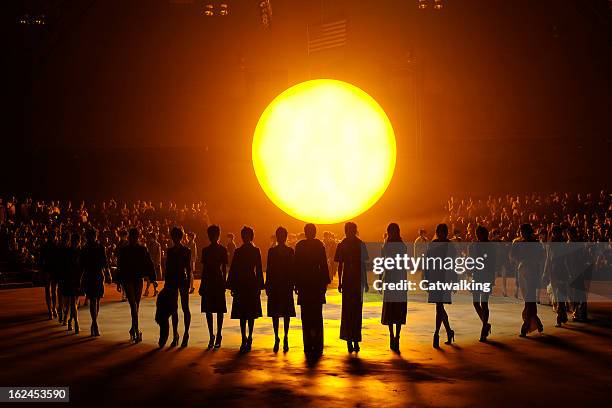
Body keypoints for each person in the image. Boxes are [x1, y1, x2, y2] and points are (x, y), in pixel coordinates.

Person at [294, 223, 330, 356]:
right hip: (316, 284)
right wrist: (325, 283)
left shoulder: (300, 246)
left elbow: (296, 265)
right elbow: (324, 265)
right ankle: (317, 344)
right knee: (317, 315)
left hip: (305, 284)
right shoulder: (319, 245)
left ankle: (308, 344)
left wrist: (296, 283)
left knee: (306, 316)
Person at [226, 226, 264, 352]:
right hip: (251, 282)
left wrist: (232, 285)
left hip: (241, 283)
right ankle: (249, 337)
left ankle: (244, 337)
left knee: (242, 313)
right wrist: (260, 285)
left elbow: (234, 269)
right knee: (251, 313)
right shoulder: (255, 250)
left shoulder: (238, 251)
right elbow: (258, 269)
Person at [117, 228, 156, 343]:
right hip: (135, 279)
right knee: (135, 305)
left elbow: (120, 266)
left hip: (132, 279)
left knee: (135, 305)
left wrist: (118, 281)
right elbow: (149, 264)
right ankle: (136, 330)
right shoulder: (141, 249)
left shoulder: (126, 250)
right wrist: (152, 278)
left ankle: (133, 328)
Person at [335, 222, 369, 353]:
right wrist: (365, 282)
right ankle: (354, 339)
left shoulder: (342, 245)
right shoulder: (360, 244)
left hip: (348, 280)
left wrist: (340, 282)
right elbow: (363, 265)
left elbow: (340, 266)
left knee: (348, 311)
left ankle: (349, 339)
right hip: (356, 280)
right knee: (356, 311)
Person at [425, 223, 457, 348]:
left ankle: (437, 333)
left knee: (439, 306)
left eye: (442, 232)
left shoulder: (448, 245)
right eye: (439, 232)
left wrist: (454, 281)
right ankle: (447, 331)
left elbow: (453, 263)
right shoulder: (435, 244)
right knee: (439, 306)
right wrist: (427, 278)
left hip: (444, 277)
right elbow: (428, 262)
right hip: (436, 277)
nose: (440, 234)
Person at [265, 226, 295, 353]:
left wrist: (267, 284)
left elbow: (269, 269)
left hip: (277, 284)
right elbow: (293, 269)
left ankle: (277, 336)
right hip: (285, 284)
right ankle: (284, 336)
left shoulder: (272, 252)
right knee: (285, 312)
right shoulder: (289, 251)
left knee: (276, 312)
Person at [512, 223, 545, 337]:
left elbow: (541, 257)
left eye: (523, 231)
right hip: (524, 270)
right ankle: (537, 322)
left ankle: (525, 326)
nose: (522, 233)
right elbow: (513, 256)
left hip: (529, 271)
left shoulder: (529, 243)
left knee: (529, 298)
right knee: (528, 298)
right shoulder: (521, 243)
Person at [200, 225, 228, 349]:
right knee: (213, 309)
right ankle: (214, 335)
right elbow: (222, 268)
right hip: (212, 280)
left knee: (213, 309)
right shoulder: (219, 250)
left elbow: (223, 268)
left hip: (213, 280)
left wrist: (224, 282)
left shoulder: (210, 250)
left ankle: (216, 335)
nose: (212, 237)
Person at [381, 223, 408, 352]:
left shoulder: (387, 245)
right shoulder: (401, 246)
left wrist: (380, 279)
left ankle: (394, 335)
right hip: (397, 278)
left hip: (393, 279)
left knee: (392, 309)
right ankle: (395, 335)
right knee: (396, 309)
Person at [165, 226, 192, 347]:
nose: (175, 239)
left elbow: (188, 268)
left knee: (181, 308)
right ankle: (178, 334)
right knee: (177, 308)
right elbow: (169, 268)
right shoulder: (183, 250)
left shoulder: (182, 251)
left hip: (179, 280)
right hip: (178, 280)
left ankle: (181, 334)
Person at [80, 228, 108, 337]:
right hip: (97, 274)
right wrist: (108, 274)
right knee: (96, 300)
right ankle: (94, 323)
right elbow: (105, 262)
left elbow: (81, 265)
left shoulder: (85, 248)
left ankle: (94, 323)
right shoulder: (100, 247)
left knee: (94, 300)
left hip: (90, 275)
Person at [470, 225, 495, 342]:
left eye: (479, 233)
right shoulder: (474, 245)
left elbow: (492, 262)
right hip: (478, 275)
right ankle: (485, 324)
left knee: (483, 303)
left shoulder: (489, 246)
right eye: (477, 233)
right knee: (476, 303)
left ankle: (484, 328)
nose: (477, 235)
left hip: (485, 275)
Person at [543, 225, 570, 326]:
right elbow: (549, 259)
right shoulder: (561, 243)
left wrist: (545, 272)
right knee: (559, 294)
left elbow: (548, 259)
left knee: (558, 294)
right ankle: (562, 315)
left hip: (556, 270)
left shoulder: (553, 244)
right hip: (559, 270)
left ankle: (560, 316)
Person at [62, 232, 82, 334]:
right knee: (72, 302)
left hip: (77, 279)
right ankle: (76, 323)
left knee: (74, 302)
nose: (76, 243)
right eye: (75, 241)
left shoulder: (80, 252)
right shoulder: (68, 252)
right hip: (70, 279)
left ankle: (69, 320)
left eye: (77, 241)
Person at [39, 231, 59, 320]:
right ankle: (52, 309)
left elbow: (41, 260)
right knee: (52, 290)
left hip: (49, 269)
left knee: (49, 290)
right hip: (51, 269)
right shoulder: (55, 246)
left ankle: (51, 310)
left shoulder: (46, 246)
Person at [144, 232, 161, 297]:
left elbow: (158, 255)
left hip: (154, 263)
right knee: (149, 277)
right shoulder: (149, 244)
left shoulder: (157, 245)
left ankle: (150, 290)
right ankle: (151, 290)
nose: (150, 239)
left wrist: (158, 263)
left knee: (152, 278)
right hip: (149, 262)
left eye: (151, 237)